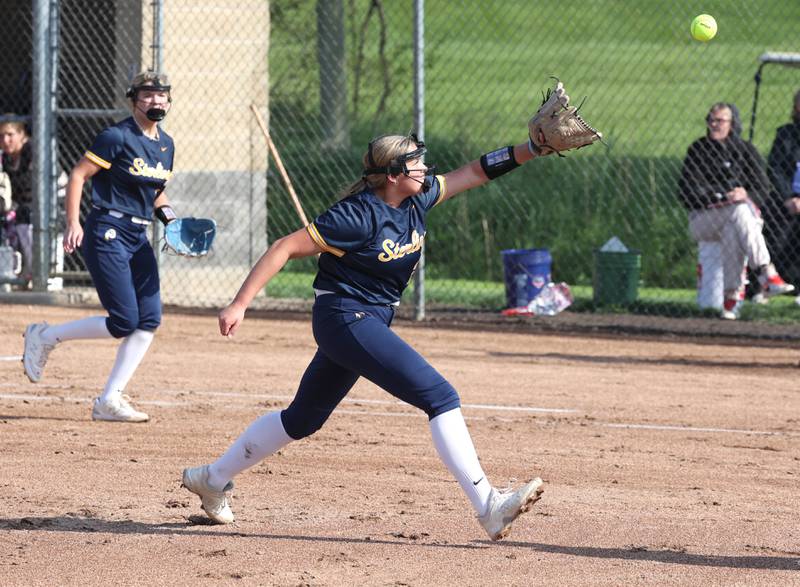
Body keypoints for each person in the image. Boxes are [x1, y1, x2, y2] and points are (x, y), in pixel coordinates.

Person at [181, 131, 557, 541]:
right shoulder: (356, 215)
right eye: (416, 162)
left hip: (369, 319)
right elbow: (283, 247)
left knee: (302, 419)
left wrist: (531, 149)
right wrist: (240, 303)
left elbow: (475, 171)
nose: (425, 168)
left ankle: (212, 478)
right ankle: (489, 506)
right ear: (393, 174)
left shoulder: (418, 196)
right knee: (440, 395)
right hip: (344, 317)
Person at [21, 71, 180, 423]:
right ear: (133, 98)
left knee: (149, 319)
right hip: (108, 228)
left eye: (162, 95)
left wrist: (172, 222)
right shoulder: (116, 136)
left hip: (138, 236)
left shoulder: (166, 144)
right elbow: (79, 175)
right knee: (124, 320)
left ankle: (109, 400)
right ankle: (46, 336)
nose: (156, 101)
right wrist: (73, 221)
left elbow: (155, 192)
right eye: (148, 95)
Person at [677, 102, 794, 320]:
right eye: (710, 120)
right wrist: (722, 195)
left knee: (734, 227)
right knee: (738, 211)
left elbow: (762, 189)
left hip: (738, 220)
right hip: (702, 220)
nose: (713, 124)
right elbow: (686, 192)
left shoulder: (745, 150)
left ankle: (730, 301)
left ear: (732, 124)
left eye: (719, 120)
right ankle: (766, 272)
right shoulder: (698, 149)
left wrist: (745, 194)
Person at [767, 89, 800, 304]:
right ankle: (767, 284)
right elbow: (775, 168)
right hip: (786, 199)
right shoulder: (786, 135)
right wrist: (789, 197)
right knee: (774, 233)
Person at [0, 118, 34, 287]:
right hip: (19, 204)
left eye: (10, 135)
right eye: (1, 136)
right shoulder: (5, 157)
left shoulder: (32, 149)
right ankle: (12, 273)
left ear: (22, 135)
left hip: (50, 203)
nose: (5, 141)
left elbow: (29, 185)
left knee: (23, 214)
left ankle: (33, 272)